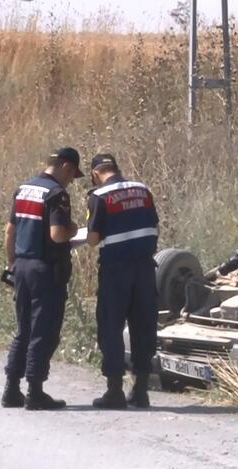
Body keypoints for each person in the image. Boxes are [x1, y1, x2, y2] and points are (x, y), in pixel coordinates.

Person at [2, 147, 82, 410]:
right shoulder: (57, 194)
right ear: (66, 167)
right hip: (45, 271)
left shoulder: (23, 189)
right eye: (72, 176)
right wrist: (73, 229)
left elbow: (9, 231)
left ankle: (11, 389)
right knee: (43, 331)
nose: (70, 181)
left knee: (23, 329)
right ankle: (35, 392)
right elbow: (58, 234)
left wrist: (12, 264)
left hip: (22, 267)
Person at [85, 153, 159, 409]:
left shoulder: (99, 196)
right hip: (145, 268)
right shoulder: (143, 189)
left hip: (116, 271)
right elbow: (154, 225)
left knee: (111, 327)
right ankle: (140, 390)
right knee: (143, 327)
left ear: (95, 173)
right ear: (116, 167)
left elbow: (93, 239)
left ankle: (114, 390)